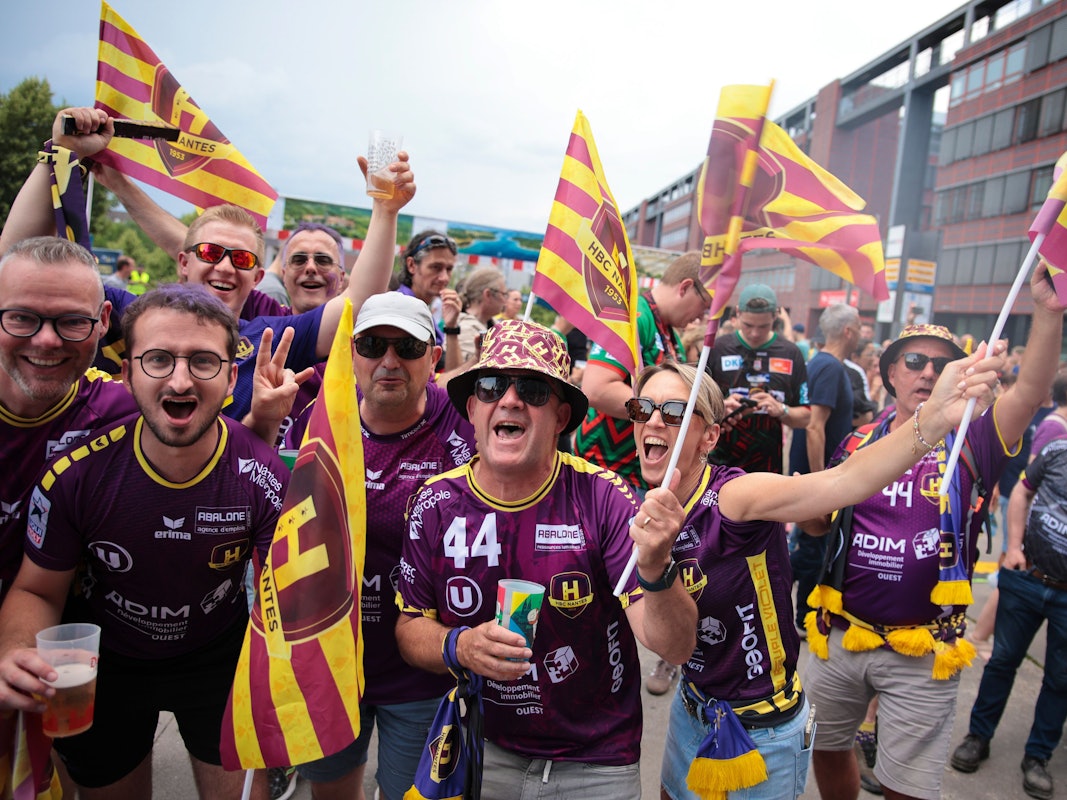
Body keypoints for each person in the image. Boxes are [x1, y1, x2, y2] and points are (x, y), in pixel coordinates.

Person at [628, 347, 1004, 799]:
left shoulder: (735, 496)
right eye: (642, 408)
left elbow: (842, 482)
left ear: (709, 438)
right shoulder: (645, 509)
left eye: (673, 412)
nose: (652, 421)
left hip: (760, 727)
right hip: (693, 710)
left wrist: (936, 418)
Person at [0, 285, 292, 800]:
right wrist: (17, 651)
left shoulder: (262, 472)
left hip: (216, 658)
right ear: (127, 372)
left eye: (203, 361)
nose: (180, 379)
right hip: (105, 662)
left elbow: (289, 601)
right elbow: (38, 591)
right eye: (158, 359)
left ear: (230, 379)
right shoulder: (76, 475)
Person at [395, 319, 697, 800]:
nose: (510, 400)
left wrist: (658, 569)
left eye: (533, 390)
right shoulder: (434, 504)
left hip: (597, 762)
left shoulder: (604, 497)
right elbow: (410, 628)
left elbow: (675, 647)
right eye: (492, 386)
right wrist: (461, 647)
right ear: (473, 409)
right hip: (481, 747)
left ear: (560, 418)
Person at [804, 263, 1066, 800]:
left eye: (943, 365)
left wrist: (1048, 309)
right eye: (915, 361)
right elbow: (818, 520)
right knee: (827, 751)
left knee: (909, 789)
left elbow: (1032, 389)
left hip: (926, 654)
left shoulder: (978, 440)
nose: (928, 373)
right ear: (889, 372)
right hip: (838, 637)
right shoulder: (856, 443)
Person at [0, 106, 415, 423]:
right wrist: (59, 152)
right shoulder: (126, 314)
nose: (225, 267)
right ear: (183, 262)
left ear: (256, 276)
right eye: (211, 253)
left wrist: (385, 212)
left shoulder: (271, 339)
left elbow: (357, 303)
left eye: (242, 259)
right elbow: (14, 263)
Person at [282, 292, 476, 800]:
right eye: (373, 344)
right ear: (351, 353)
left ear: (434, 358)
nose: (389, 361)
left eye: (407, 347)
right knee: (329, 792)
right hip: (329, 661)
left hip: (419, 672)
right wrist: (261, 425)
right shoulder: (316, 419)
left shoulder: (463, 431)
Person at [0, 237, 139, 606]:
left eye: (73, 321)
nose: (46, 340)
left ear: (104, 321)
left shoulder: (127, 411)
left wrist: (265, 420)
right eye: (21, 317)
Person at [950, 437, 1067, 800]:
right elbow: (1022, 491)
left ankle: (1037, 758)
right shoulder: (1057, 451)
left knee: (1061, 680)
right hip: (1028, 579)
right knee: (1002, 661)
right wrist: (1013, 547)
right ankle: (978, 737)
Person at [576, 250, 711, 494]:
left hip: (638, 472)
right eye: (705, 305)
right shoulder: (634, 317)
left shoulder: (669, 333)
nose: (701, 318)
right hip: (609, 472)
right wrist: (663, 416)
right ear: (685, 287)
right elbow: (597, 389)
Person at [789, 304, 858, 637]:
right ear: (848, 331)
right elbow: (815, 427)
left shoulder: (821, 363)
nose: (862, 333)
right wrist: (821, 483)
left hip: (817, 476)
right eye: (860, 327)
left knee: (810, 547)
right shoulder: (829, 367)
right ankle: (802, 616)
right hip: (818, 479)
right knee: (813, 550)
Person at [706, 283, 810, 475]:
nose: (754, 333)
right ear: (737, 314)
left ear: (776, 316)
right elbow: (693, 406)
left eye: (763, 326)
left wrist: (782, 410)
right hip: (718, 466)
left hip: (767, 469)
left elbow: (806, 417)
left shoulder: (790, 353)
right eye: (748, 325)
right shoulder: (716, 349)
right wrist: (721, 406)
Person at [455, 266, 507, 361]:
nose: (505, 300)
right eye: (503, 294)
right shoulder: (464, 329)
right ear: (487, 294)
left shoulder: (494, 325)